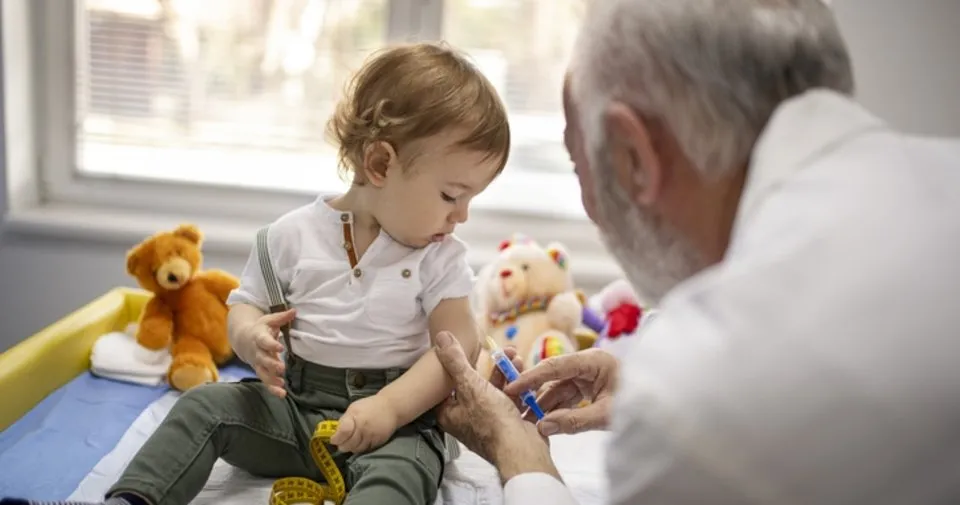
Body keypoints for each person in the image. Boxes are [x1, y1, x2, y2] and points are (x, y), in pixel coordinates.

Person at [434, 0, 960, 504]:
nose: (593, 212)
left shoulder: (695, 390)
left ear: (634, 156)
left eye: (580, 167)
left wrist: (520, 457)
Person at [2, 42, 509, 505]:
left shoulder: (439, 258)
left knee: (405, 474)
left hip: (395, 425)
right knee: (202, 408)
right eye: (451, 195)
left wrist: (392, 409)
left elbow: (457, 348)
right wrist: (248, 336)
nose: (461, 215)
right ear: (379, 164)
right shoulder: (290, 236)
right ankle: (134, 499)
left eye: (470, 199)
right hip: (294, 410)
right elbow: (245, 304)